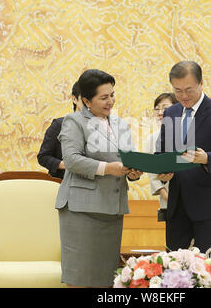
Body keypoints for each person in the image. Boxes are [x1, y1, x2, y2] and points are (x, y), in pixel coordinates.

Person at [55, 69, 143, 287]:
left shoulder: (121, 124)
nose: (110, 101)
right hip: (81, 211)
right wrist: (109, 168)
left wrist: (134, 171)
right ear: (86, 100)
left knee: (107, 278)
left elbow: (128, 158)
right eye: (103, 97)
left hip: (112, 208)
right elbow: (72, 160)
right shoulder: (73, 122)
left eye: (112, 95)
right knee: (81, 276)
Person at [156, 61, 211, 258]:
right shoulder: (171, 112)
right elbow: (163, 151)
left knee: (210, 268)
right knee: (174, 265)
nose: (183, 96)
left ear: (201, 83)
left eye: (189, 90)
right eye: (178, 90)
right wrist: (162, 171)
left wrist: (206, 158)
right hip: (178, 204)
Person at [37, 82, 83, 179]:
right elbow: (43, 157)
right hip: (63, 183)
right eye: (85, 99)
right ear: (74, 99)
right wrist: (67, 165)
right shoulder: (59, 125)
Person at [144, 93, 178, 221]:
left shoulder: (187, 135)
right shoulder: (151, 139)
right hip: (167, 201)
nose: (160, 112)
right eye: (157, 109)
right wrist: (165, 195)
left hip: (191, 199)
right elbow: (152, 172)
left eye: (165, 108)